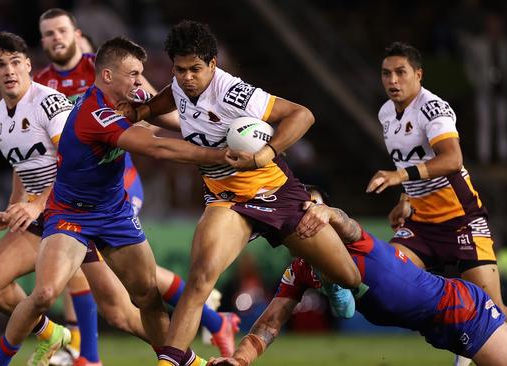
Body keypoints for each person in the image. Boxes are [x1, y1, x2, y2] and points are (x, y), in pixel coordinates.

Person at [118, 20, 361, 366]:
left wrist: (266, 153)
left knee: (348, 276)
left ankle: (319, 273)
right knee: (201, 276)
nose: (187, 77)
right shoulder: (180, 86)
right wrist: (142, 110)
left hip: (274, 192)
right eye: (180, 69)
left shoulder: (234, 93)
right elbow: (170, 97)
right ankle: (169, 362)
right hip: (226, 200)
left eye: (195, 70)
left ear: (213, 65)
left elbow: (301, 115)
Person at [0, 35, 230, 366]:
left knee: (145, 298)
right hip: (70, 215)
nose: (139, 80)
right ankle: (5, 361)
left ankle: (180, 360)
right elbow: (157, 146)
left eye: (140, 73)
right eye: (132, 74)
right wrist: (218, 154)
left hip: (114, 211)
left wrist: (214, 124)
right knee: (44, 294)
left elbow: (165, 108)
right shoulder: (93, 114)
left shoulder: (128, 97)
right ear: (107, 77)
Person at [208, 186, 507, 366]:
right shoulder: (301, 271)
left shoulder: (351, 241)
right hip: (438, 329)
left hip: (461, 311)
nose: (306, 220)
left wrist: (330, 213)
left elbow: (347, 224)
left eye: (312, 209)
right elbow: (269, 324)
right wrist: (239, 360)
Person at [365, 42, 507, 338]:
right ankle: (455, 332)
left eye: (401, 72)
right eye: (386, 74)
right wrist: (405, 198)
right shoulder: (386, 112)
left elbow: (452, 160)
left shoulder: (433, 108)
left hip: (460, 218)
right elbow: (412, 159)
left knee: (494, 310)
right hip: (422, 223)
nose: (393, 81)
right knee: (387, 277)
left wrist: (398, 177)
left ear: (419, 74)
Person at [0, 30, 91, 366]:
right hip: (42, 213)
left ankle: (192, 343)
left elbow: (74, 161)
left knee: (124, 308)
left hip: (75, 206)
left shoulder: (49, 102)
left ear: (27, 65)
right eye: (1, 64)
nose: (9, 70)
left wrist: (37, 203)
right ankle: (51, 333)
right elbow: (22, 167)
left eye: (15, 62)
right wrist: (14, 206)